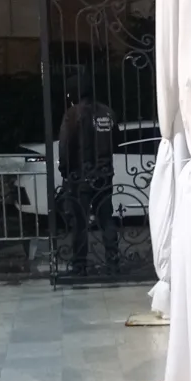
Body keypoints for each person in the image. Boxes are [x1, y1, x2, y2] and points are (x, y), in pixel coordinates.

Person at [58, 80, 120, 275]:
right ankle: (113, 262)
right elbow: (116, 141)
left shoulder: (73, 114)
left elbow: (65, 144)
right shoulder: (108, 112)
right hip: (104, 174)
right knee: (107, 219)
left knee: (80, 222)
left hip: (81, 177)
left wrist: (66, 170)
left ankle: (80, 264)